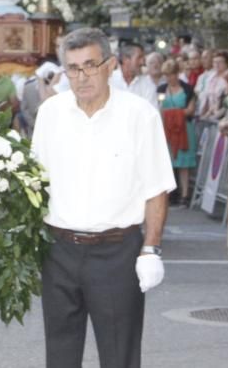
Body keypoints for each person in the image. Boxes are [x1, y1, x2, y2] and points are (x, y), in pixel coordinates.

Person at [31, 28, 176, 368]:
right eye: (73, 68)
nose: (82, 77)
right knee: (60, 354)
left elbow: (156, 188)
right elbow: (34, 183)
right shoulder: (50, 113)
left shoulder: (139, 115)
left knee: (119, 355)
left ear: (110, 65)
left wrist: (151, 249)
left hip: (116, 252)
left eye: (90, 65)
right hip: (58, 250)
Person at [159, 59, 197, 207]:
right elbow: (159, 108)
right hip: (167, 129)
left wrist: (171, 113)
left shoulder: (188, 89)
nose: (169, 78)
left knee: (183, 164)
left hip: (184, 130)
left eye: (172, 74)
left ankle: (185, 194)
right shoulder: (161, 89)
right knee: (168, 162)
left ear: (177, 74)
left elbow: (190, 110)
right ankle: (172, 193)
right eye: (166, 75)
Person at [110, 42, 158, 108]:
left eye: (143, 58)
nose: (143, 62)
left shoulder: (147, 84)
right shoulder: (108, 81)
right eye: (139, 58)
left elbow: (152, 114)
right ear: (125, 59)